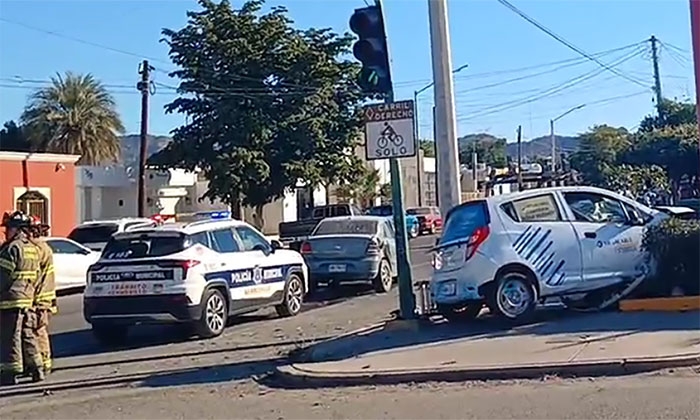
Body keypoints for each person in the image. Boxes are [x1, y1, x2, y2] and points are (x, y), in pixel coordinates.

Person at [0, 211, 43, 385]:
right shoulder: (32, 248)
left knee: (10, 337)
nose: (6, 232)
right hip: (27, 298)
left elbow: (2, 276)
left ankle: (10, 372)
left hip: (11, 299)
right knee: (28, 335)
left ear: (17, 229)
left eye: (8, 229)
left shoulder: (12, 248)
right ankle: (37, 368)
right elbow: (37, 275)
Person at [29, 218, 56, 376]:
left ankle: (42, 364)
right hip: (44, 297)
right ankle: (44, 363)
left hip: (39, 299)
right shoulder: (42, 247)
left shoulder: (37, 248)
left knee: (36, 331)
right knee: (39, 331)